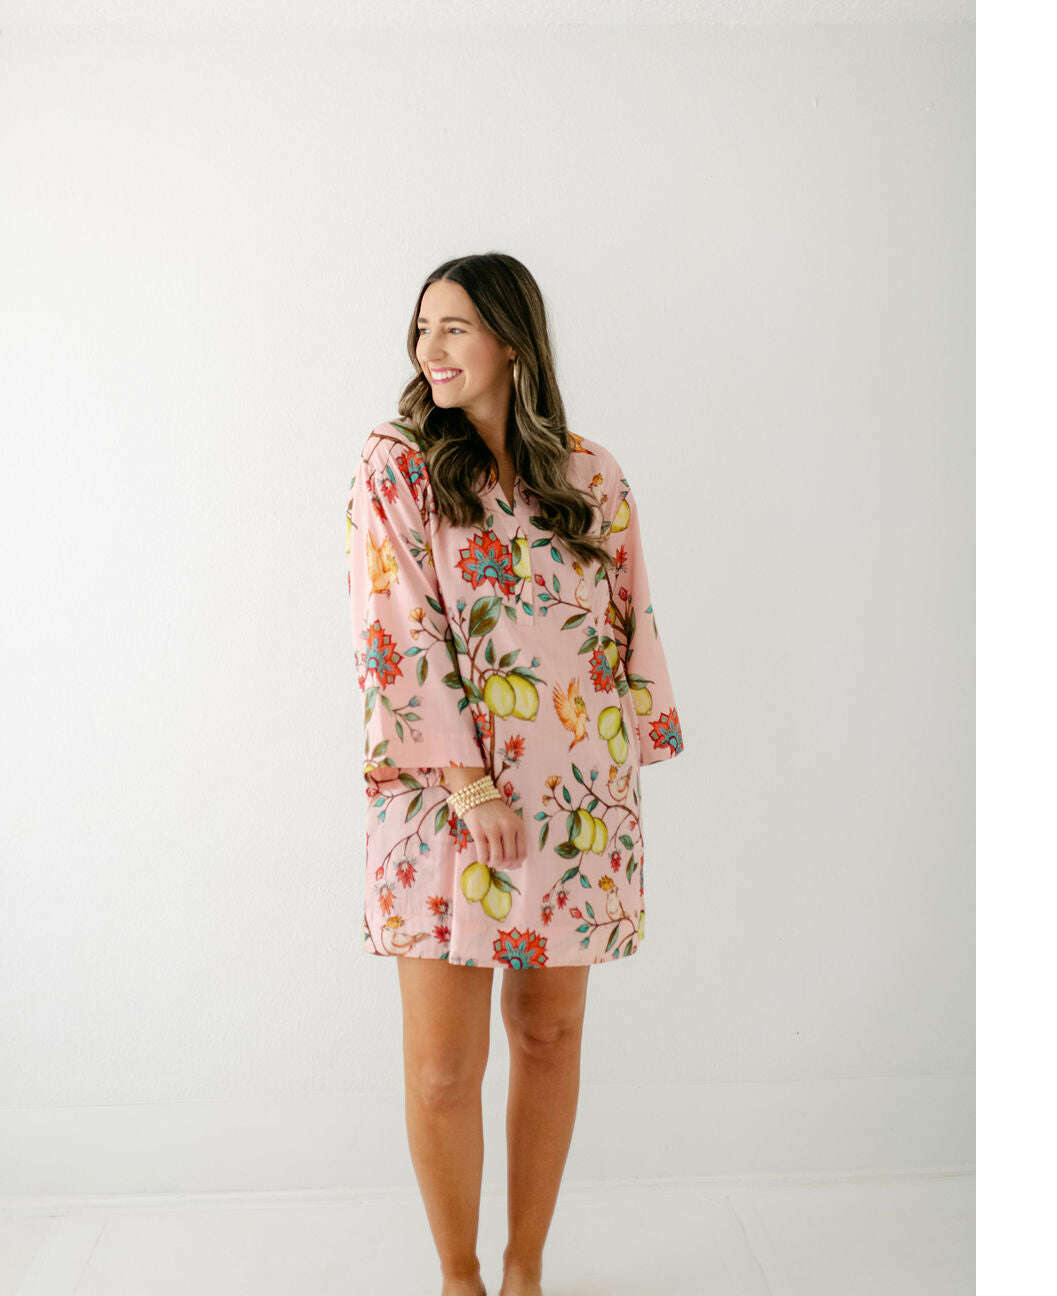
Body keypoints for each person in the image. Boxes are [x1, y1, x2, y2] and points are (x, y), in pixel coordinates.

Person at [344, 252, 684, 1296]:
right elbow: (396, 626)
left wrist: (630, 759)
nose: (430, 350)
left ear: (510, 340)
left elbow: (629, 624)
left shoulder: (593, 476)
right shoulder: (398, 464)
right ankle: (459, 1279)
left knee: (549, 1035)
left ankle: (525, 1269)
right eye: (422, 328)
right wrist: (467, 782)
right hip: (445, 798)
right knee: (443, 1068)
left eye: (453, 327)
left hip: (575, 797)